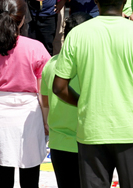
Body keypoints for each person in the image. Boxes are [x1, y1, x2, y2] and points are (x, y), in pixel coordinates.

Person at [53, 0, 133, 188]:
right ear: (125, 0)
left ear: (95, 0)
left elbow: (59, 87)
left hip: (92, 130)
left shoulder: (77, 35)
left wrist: (83, 101)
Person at [0, 0, 50, 188]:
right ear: (22, 19)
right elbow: (43, 95)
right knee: (30, 176)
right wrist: (46, 121)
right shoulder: (36, 48)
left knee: (3, 179)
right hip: (29, 116)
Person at [41, 12, 92, 188]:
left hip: (59, 142)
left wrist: (48, 126)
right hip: (90, 141)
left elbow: (45, 103)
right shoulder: (93, 66)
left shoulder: (50, 64)